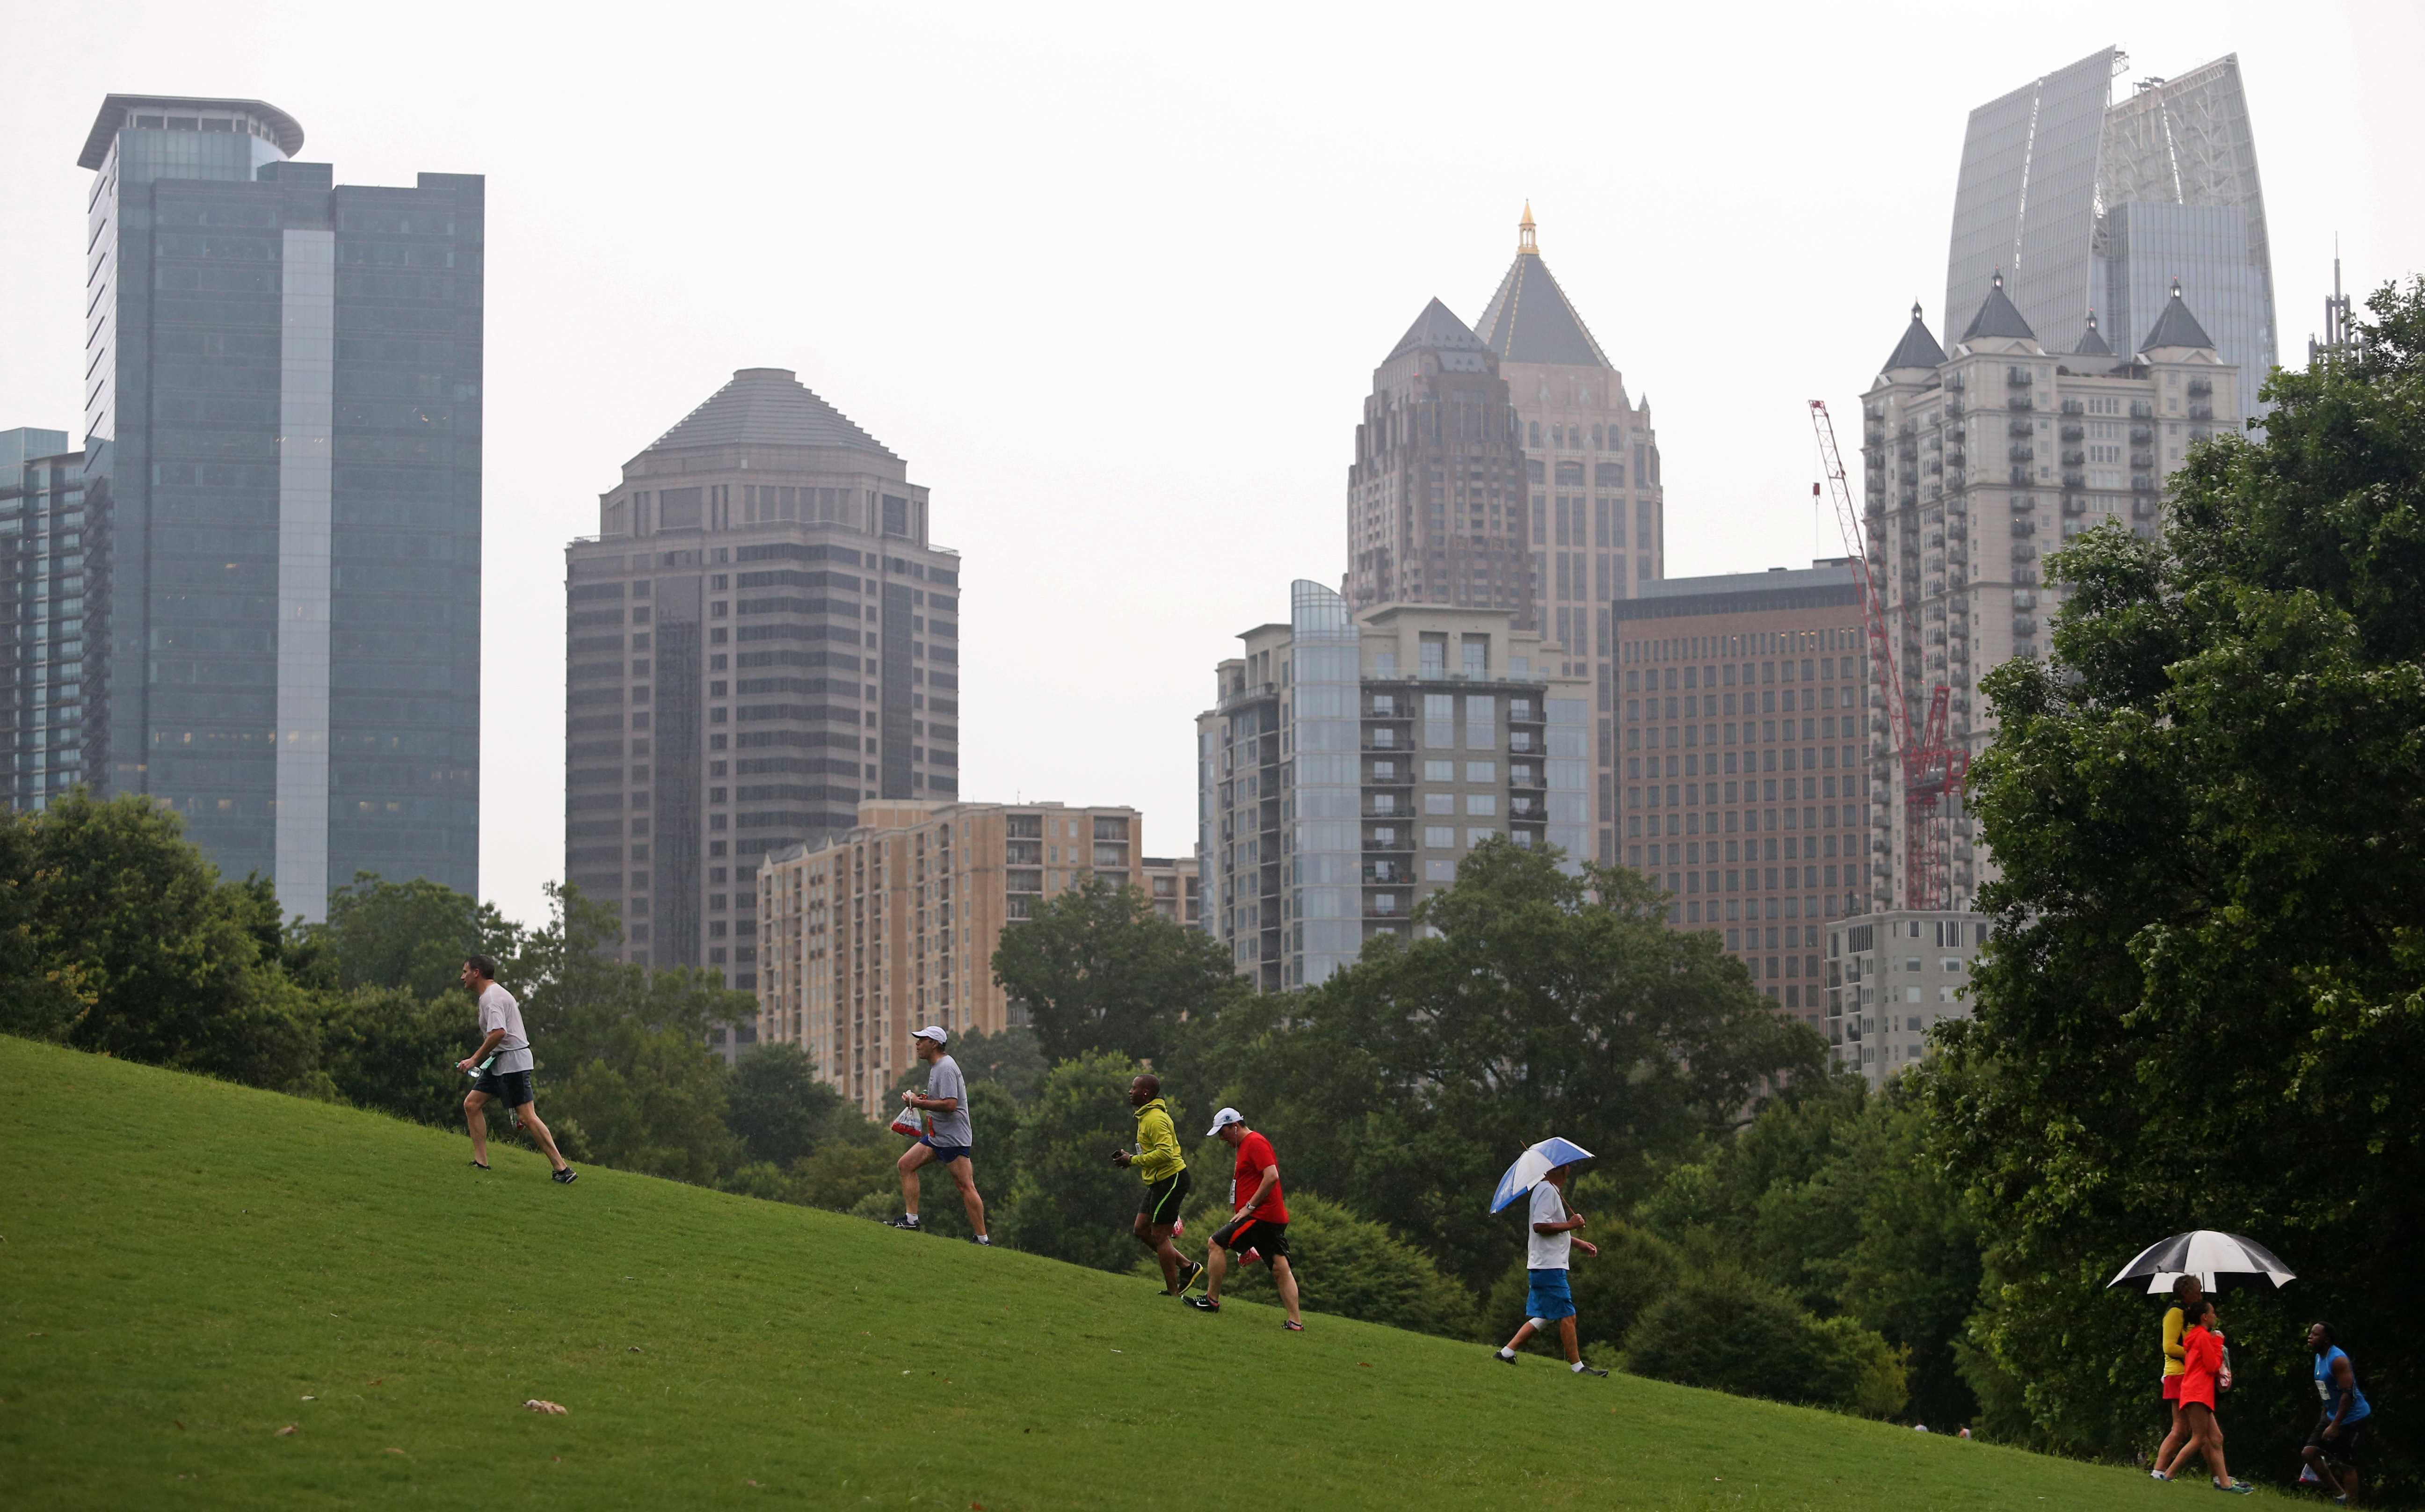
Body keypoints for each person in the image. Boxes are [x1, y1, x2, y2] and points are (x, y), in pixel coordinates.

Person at [455, 955, 575, 1183]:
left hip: (512, 1063)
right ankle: (481, 1163)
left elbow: (499, 1032)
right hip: (500, 1062)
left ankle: (562, 1170)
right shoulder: (491, 995)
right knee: (472, 1104)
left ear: (477, 973)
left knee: (527, 1116)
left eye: (465, 972)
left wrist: (474, 1060)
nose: (462, 977)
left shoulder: (491, 998)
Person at [1184, 1108, 1300, 1329]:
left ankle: (1211, 1301)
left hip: (1262, 1215)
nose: (1221, 1137)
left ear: (1235, 1126)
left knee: (1216, 1243)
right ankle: (1296, 1323)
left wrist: (1249, 1207)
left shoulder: (1255, 1142)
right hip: (1269, 1217)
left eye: (1223, 1132)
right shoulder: (1246, 1145)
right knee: (1280, 1268)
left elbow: (1272, 1176)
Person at [1490, 1161, 1606, 1376]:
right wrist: (1572, 1225)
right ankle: (1578, 1368)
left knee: (1546, 1315)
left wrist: (1579, 1243)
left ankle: (1506, 1353)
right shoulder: (1546, 1191)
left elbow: (1554, 1228)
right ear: (1565, 1170)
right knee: (1568, 1315)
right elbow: (1540, 1227)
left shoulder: (1548, 1190)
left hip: (1546, 1265)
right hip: (1549, 1266)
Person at [892, 1025, 988, 1243]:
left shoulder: (945, 1067)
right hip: (938, 1136)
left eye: (922, 1040)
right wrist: (921, 1098)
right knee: (905, 1165)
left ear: (935, 1044)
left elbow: (951, 1105)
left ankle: (983, 1240)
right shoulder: (937, 1066)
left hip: (953, 1139)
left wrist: (919, 1103)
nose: (917, 1044)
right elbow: (941, 1098)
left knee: (965, 1187)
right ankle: (911, 1220)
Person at [1112, 1073, 1200, 1295]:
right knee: (1141, 1230)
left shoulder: (1155, 1119)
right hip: (1158, 1181)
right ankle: (1188, 1267)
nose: (1130, 1092)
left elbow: (1165, 1153)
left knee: (1160, 1236)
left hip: (1172, 1180)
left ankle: (1173, 1291)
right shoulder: (1145, 1117)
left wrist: (1132, 1160)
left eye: (1133, 1088)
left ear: (1146, 1094)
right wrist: (1131, 1157)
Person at [2158, 1297, 2251, 1493]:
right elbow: (2213, 1365)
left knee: (2216, 1438)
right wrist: (2217, 1342)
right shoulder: (2202, 1337)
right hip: (2199, 1391)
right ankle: (2168, 1475)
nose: (2215, 1316)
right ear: (2205, 1317)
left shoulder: (2194, 1336)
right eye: (2213, 1313)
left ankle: (2225, 1484)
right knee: (2199, 1438)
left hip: (2195, 1390)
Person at [2302, 1322, 2371, 1506]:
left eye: (2315, 1335)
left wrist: (2335, 1425)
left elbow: (2349, 1394)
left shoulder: (2338, 1360)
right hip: (2332, 1414)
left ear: (2327, 1339)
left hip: (2353, 1417)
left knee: (2345, 1463)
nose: (2310, 1337)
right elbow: (2326, 1390)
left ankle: (2353, 1506)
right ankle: (2341, 1495)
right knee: (2309, 1453)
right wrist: (2325, 1415)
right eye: (2310, 1334)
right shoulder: (2319, 1357)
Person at [2152, 1274, 2204, 1479]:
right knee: (2182, 1428)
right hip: (2179, 1375)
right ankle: (2159, 1471)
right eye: (2197, 1292)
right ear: (2186, 1293)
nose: (2200, 1296)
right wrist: (2196, 1355)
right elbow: (2169, 1346)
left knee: (2189, 1429)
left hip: (2189, 1374)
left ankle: (2221, 1478)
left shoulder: (2189, 1313)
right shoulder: (2175, 1312)